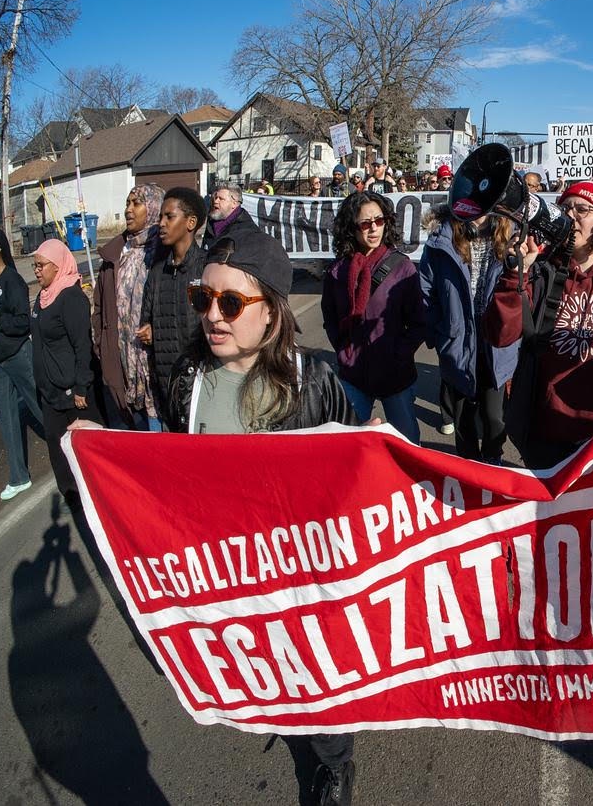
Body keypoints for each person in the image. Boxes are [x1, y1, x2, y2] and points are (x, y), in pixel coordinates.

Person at [162, 235, 356, 805]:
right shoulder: (185, 382)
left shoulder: (314, 382)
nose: (212, 318)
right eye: (204, 300)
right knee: (266, 672)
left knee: (316, 679)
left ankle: (334, 762)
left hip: (302, 576)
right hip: (228, 576)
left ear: (270, 312)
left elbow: (354, 474)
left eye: (230, 304)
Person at [484, 180, 593, 469]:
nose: (570, 216)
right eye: (565, 208)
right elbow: (502, 334)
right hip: (544, 429)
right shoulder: (541, 271)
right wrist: (517, 274)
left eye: (582, 210)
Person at [320, 190, 425, 444]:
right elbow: (330, 317)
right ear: (351, 228)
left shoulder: (402, 267)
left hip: (395, 375)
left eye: (379, 221)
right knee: (350, 446)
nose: (374, 229)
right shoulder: (337, 271)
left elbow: (419, 321)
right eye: (365, 224)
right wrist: (344, 351)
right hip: (353, 375)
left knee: (407, 445)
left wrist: (399, 354)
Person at [419, 207, 519, 463]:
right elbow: (426, 291)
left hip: (495, 341)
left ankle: (493, 464)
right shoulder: (441, 239)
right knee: (463, 415)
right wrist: (440, 334)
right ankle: (468, 468)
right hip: (458, 339)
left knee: (494, 416)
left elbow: (524, 289)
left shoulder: (512, 237)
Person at [0, 228, 45, 500]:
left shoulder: (12, 281)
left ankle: (67, 447)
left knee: (39, 407)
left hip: (18, 355)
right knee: (6, 416)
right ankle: (19, 477)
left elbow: (22, 322)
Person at [30, 239, 97, 507]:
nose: (36, 271)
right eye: (34, 266)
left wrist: (81, 386)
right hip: (50, 392)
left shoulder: (71, 297)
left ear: (58, 267)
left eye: (41, 266)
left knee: (84, 445)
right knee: (57, 446)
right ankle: (72, 494)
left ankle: (94, 492)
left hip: (73, 392)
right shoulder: (42, 297)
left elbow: (83, 345)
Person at [93, 184, 162, 430]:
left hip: (155, 370)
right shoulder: (115, 256)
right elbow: (99, 306)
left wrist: (158, 331)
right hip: (122, 367)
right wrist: (103, 345)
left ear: (153, 208)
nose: (128, 210)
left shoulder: (163, 253)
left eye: (136, 203)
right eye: (127, 203)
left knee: (159, 448)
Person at [136, 187, 208, 414]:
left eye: (170, 216)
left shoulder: (208, 268)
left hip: (203, 385)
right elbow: (145, 321)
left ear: (191, 222)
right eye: (160, 217)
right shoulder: (157, 273)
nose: (162, 224)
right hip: (167, 387)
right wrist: (148, 331)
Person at [203, 183, 262, 250]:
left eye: (221, 199)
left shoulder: (247, 230)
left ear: (234, 203)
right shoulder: (211, 223)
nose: (216, 201)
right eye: (216, 197)